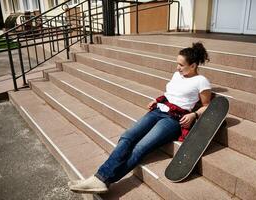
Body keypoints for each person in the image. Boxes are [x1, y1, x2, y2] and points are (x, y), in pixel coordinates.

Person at [69, 42, 212, 194]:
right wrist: (157, 100)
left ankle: (101, 179)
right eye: (177, 63)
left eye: (181, 65)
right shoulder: (177, 75)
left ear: (193, 65)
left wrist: (194, 114)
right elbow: (170, 94)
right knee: (127, 137)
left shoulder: (201, 81)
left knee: (140, 148)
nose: (177, 67)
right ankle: (99, 179)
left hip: (173, 120)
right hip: (158, 110)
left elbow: (207, 105)